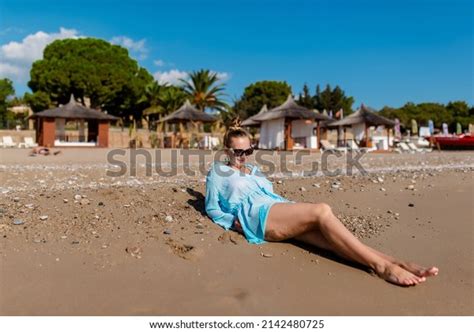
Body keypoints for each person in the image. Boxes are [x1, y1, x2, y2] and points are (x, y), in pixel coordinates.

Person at [205, 120, 439, 287]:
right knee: (322, 211)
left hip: (277, 209)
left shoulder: (253, 170)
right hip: (256, 216)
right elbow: (212, 207)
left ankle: (395, 261)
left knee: (332, 239)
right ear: (227, 150)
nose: (243, 155)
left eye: (248, 150)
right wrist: (231, 221)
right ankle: (383, 268)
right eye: (238, 151)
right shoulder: (218, 171)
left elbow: (271, 196)